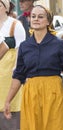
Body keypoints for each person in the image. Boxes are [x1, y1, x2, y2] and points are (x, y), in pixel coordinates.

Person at [4, 5, 63, 130]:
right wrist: (8, 101)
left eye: (40, 16)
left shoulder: (59, 44)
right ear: (29, 20)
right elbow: (18, 75)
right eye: (33, 16)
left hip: (54, 93)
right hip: (31, 93)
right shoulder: (24, 46)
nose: (36, 19)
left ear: (48, 21)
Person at [0, 0, 26, 130]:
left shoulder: (15, 25)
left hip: (8, 77)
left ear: (7, 8)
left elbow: (21, 51)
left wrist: (17, 72)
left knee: (10, 116)